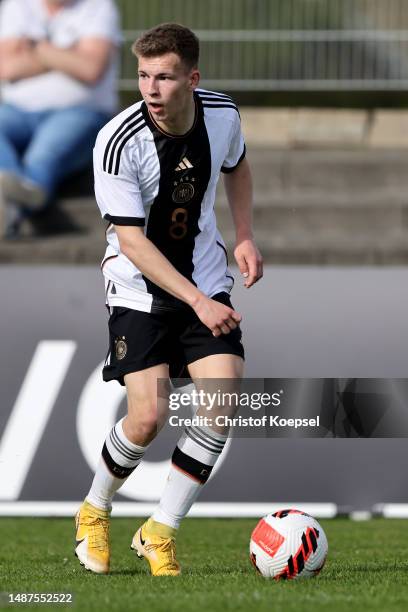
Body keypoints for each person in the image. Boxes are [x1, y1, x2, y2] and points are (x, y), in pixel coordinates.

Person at [75, 22, 263, 576]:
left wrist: (246, 234)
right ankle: (94, 509)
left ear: (192, 78)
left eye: (164, 77)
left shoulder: (222, 114)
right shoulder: (117, 141)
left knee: (222, 397)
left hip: (204, 276)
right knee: (147, 418)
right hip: (138, 290)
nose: (151, 89)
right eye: (142, 76)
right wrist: (199, 302)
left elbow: (238, 166)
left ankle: (159, 530)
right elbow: (131, 242)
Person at [0, 0, 121, 238]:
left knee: (44, 154)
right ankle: (21, 196)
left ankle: (17, 201)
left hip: (81, 111)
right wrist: (67, 54)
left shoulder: (99, 6)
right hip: (16, 110)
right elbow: (6, 68)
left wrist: (34, 48)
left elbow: (90, 69)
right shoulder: (17, 5)